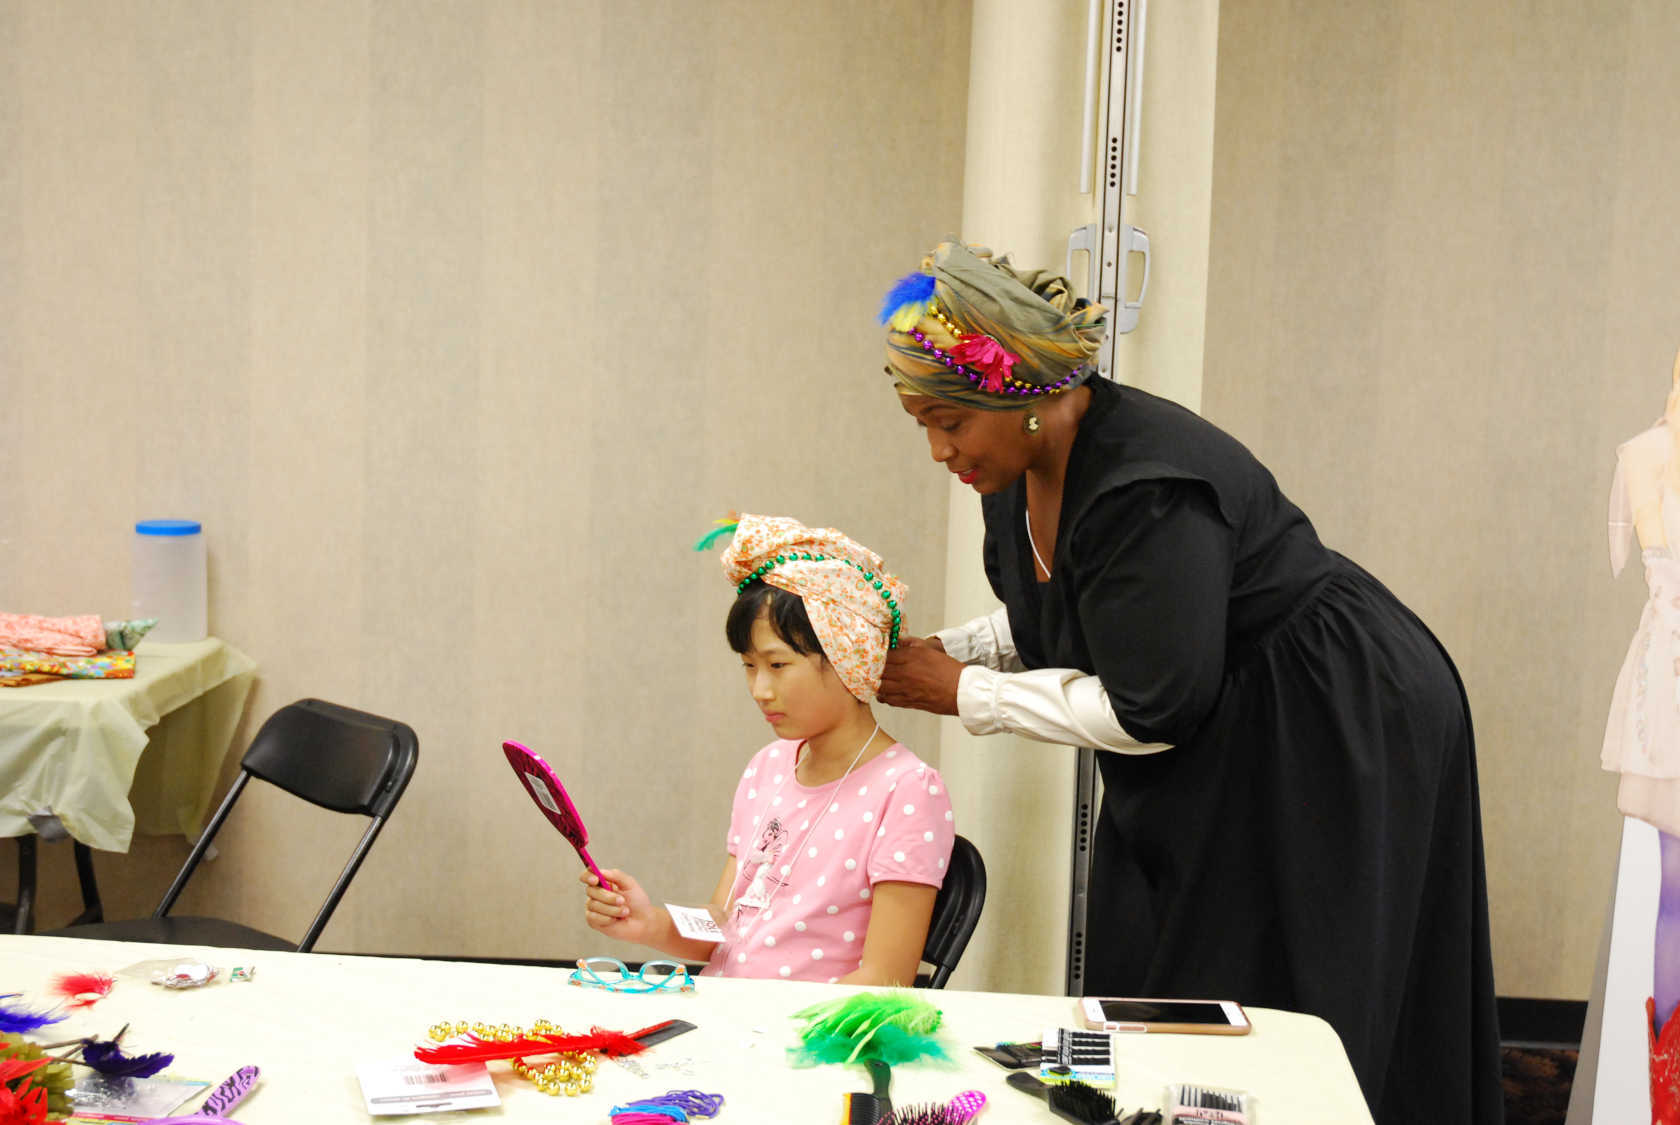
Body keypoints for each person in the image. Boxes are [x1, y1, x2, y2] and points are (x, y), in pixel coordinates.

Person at [872, 242, 1503, 1124]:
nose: (940, 449)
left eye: (949, 421)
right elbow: (1064, 614)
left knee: (1299, 986)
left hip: (1332, 709)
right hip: (1227, 706)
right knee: (1173, 975)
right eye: (923, 426)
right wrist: (945, 650)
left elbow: (1152, 703)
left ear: (1015, 398)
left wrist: (965, 692)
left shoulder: (1145, 487)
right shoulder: (1009, 468)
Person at [580, 514, 954, 985]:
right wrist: (649, 922)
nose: (760, 689)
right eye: (749, 666)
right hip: (729, 1019)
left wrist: (767, 1029)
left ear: (848, 658)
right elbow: (727, 921)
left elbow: (885, 979)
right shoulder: (768, 768)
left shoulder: (907, 790)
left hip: (806, 1045)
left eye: (778, 664)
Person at [1603, 345, 1680, 1122]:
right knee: (1677, 886)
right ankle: (1670, 1098)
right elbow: (1661, 574)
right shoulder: (1647, 455)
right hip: (1676, 673)